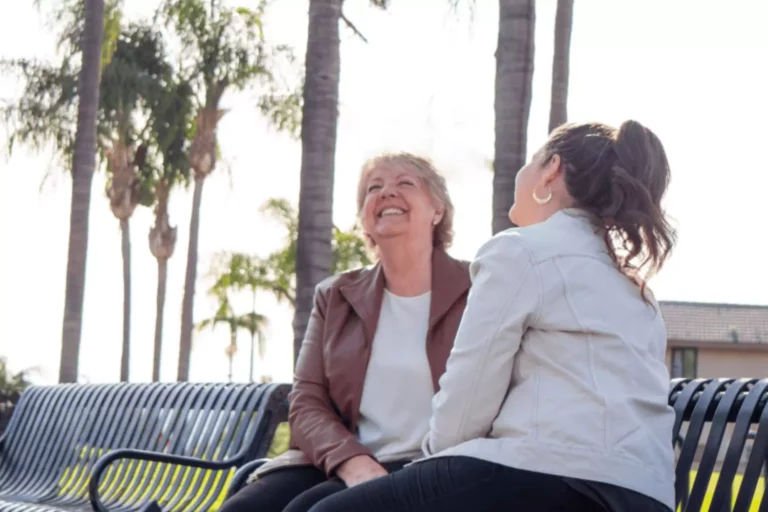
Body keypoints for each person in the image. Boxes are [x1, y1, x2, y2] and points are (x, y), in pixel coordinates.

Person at [308, 121, 677, 512]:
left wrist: (427, 468)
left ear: (551, 169)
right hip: (644, 493)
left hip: (549, 477)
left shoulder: (519, 251)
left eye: (531, 161)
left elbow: (468, 399)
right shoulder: (637, 289)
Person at [219, 153, 470, 512]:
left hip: (433, 463)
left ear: (438, 210)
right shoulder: (335, 296)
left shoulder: (478, 288)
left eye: (405, 183)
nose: (386, 193)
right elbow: (306, 402)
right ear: (365, 221)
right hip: (344, 457)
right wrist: (354, 463)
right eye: (374, 188)